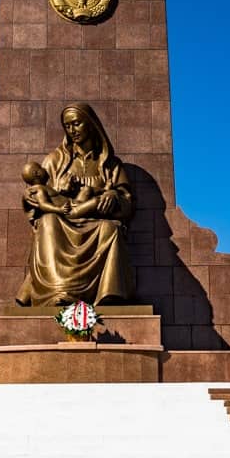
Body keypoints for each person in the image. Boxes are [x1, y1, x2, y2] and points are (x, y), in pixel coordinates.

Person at [15, 103, 135, 306]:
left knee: (111, 230)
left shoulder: (110, 164)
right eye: (67, 126)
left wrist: (114, 195)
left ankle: (108, 294)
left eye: (77, 124)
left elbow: (128, 202)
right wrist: (32, 197)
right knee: (48, 223)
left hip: (95, 221)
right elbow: (38, 196)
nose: (72, 130)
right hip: (62, 219)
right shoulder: (54, 161)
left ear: (90, 125)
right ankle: (57, 292)